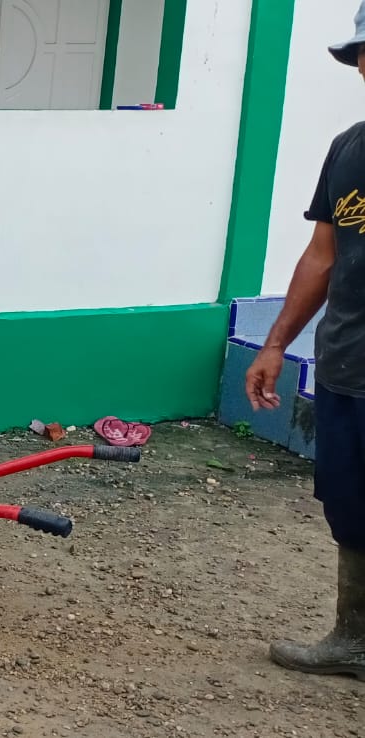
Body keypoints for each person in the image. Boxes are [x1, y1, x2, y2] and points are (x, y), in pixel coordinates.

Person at [244, 3, 365, 680]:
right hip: (347, 366)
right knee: (349, 507)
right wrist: (273, 343)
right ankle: (354, 640)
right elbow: (321, 255)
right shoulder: (348, 149)